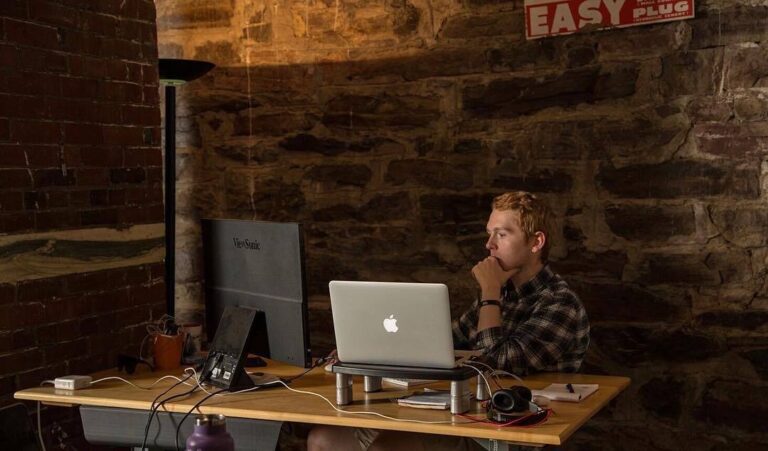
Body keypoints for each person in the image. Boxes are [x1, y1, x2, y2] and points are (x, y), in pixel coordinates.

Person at [308, 191, 590, 451]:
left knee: (390, 447)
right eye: (489, 234)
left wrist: (489, 293)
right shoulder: (504, 291)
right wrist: (364, 351)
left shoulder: (559, 303)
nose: (489, 245)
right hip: (463, 412)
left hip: (509, 430)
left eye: (501, 234)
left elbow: (498, 361)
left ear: (536, 242)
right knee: (323, 440)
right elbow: (444, 341)